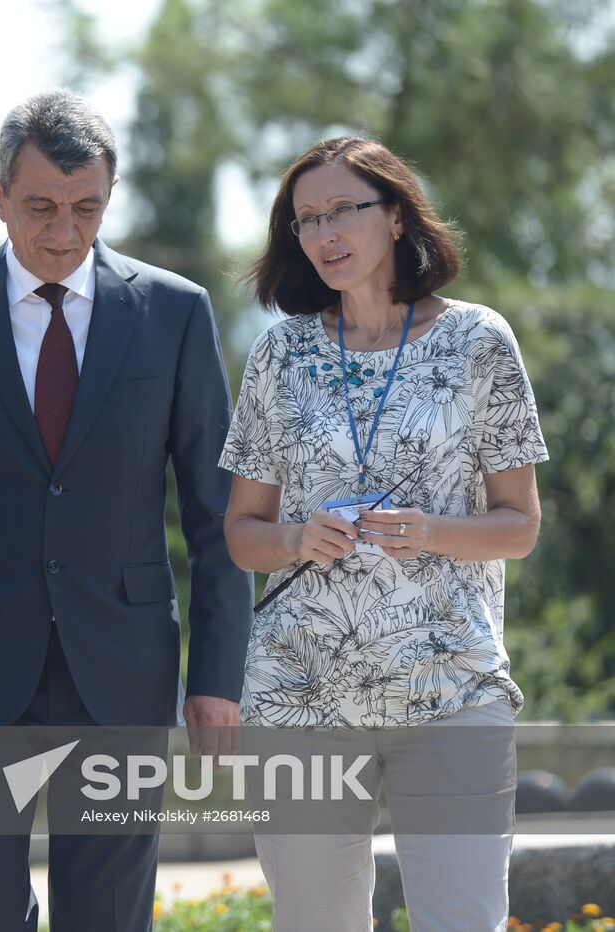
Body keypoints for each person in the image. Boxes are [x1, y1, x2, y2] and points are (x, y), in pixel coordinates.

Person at [0, 89, 253, 931]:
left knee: (108, 918)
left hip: (122, 671)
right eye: (41, 206)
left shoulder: (174, 313)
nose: (64, 231)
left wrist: (218, 678)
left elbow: (216, 515)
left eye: (87, 208)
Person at [220, 136, 546, 930]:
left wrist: (429, 529)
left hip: (453, 689)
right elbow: (241, 534)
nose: (325, 233)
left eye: (343, 210)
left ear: (396, 217)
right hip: (299, 697)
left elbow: (520, 526)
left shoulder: (478, 341)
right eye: (306, 220)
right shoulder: (279, 353)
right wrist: (298, 538)